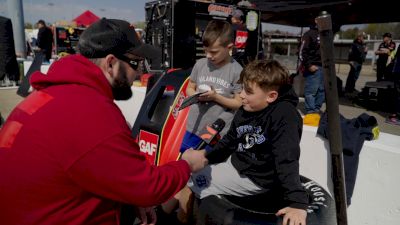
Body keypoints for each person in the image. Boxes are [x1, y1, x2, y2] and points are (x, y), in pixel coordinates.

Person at [0, 18, 208, 225]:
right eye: (136, 63)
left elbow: (93, 170)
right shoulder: (90, 111)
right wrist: (187, 164)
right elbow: (148, 187)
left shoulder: (53, 94)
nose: (139, 72)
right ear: (111, 63)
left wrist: (127, 196)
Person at [175, 60, 309, 225]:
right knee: (183, 170)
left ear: (271, 96)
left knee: (189, 180)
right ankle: (164, 213)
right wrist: (205, 156)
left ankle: (178, 218)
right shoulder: (246, 109)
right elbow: (229, 142)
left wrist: (297, 202)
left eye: (248, 91)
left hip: (257, 178)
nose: (242, 95)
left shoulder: (285, 115)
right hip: (238, 165)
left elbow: (287, 157)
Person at [179, 19, 243, 153]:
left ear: (229, 48)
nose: (208, 56)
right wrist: (197, 96)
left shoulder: (237, 71)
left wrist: (215, 97)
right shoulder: (200, 64)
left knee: (207, 165)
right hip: (194, 127)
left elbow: (238, 103)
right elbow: (190, 87)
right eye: (205, 51)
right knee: (186, 160)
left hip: (216, 131)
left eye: (214, 52)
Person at [299, 20, 325, 126]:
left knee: (322, 91)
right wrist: (309, 65)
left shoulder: (325, 34)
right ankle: (311, 111)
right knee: (311, 91)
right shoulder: (309, 34)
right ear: (316, 21)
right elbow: (302, 51)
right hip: (314, 66)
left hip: (324, 67)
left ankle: (316, 110)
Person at [0, 16, 20, 86]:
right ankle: (12, 78)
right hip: (7, 52)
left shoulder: (4, 22)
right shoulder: (5, 22)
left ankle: (10, 79)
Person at [386, 45, 400, 125]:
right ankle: (396, 114)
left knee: (398, 95)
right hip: (397, 71)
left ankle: (397, 116)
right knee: (397, 94)